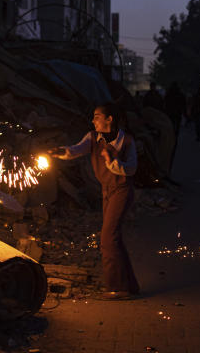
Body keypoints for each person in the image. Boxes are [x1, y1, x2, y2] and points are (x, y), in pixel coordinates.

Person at [53, 102, 139, 300]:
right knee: (114, 237)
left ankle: (117, 288)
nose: (93, 120)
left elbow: (131, 169)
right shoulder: (92, 138)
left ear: (109, 119)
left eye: (97, 116)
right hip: (107, 191)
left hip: (122, 190)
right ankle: (130, 286)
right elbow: (76, 149)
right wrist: (61, 151)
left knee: (107, 238)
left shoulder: (127, 141)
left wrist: (111, 161)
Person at [164, 82, 187, 171]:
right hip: (176, 114)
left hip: (172, 114)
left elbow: (165, 104)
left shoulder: (169, 95)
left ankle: (173, 137)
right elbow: (183, 105)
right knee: (175, 128)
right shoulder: (178, 95)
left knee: (173, 127)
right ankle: (174, 137)